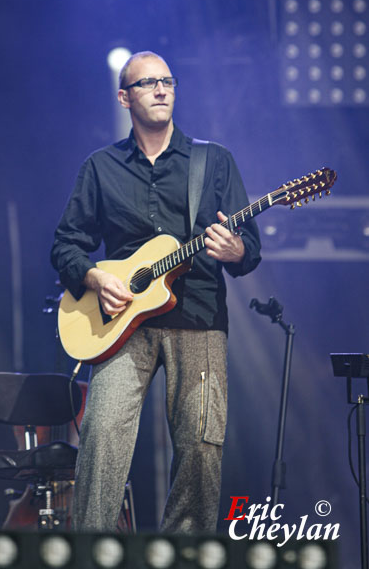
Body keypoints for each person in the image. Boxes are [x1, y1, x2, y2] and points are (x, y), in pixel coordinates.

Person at [51, 51, 261, 533]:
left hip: (198, 317)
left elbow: (249, 250)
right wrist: (94, 278)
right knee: (102, 438)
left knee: (201, 449)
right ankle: (91, 552)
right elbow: (67, 243)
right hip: (121, 326)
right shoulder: (101, 167)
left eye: (168, 80)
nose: (162, 89)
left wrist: (233, 250)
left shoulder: (213, 161)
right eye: (148, 83)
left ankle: (183, 554)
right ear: (125, 97)